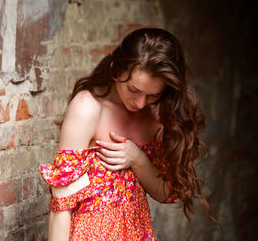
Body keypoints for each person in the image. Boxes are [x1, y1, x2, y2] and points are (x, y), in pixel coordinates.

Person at [39, 27, 216, 240]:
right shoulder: (88, 108)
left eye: (153, 95)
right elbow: (62, 203)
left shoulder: (158, 115)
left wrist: (137, 159)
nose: (140, 103)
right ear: (116, 70)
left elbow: (166, 193)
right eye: (133, 90)